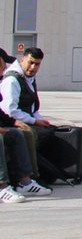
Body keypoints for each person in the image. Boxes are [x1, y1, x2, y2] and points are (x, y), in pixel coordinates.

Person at [0, 48, 55, 196]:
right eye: (31, 63)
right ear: (22, 59)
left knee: (18, 134)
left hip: (9, 120)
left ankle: (25, 181)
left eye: (37, 64)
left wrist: (14, 122)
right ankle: (3, 186)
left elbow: (6, 113)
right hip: (11, 120)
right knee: (25, 133)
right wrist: (31, 121)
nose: (33, 67)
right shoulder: (11, 80)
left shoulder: (28, 79)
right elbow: (9, 109)